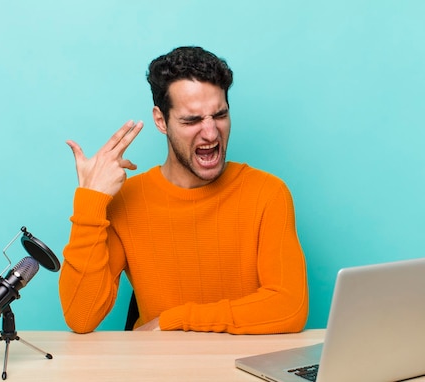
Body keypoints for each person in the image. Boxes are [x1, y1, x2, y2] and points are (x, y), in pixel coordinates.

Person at [59, 46, 308, 334]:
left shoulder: (267, 193)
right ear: (161, 120)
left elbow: (290, 306)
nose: (211, 133)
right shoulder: (127, 200)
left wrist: (173, 321)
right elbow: (80, 317)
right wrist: (91, 201)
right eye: (191, 120)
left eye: (220, 115)